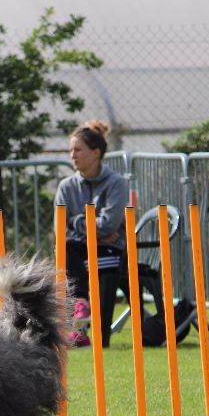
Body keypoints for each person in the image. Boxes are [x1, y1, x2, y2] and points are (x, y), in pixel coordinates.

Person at [55, 120, 128, 348]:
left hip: (110, 250)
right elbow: (59, 227)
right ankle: (80, 310)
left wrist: (77, 222)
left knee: (89, 257)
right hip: (77, 249)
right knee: (64, 248)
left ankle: (93, 328)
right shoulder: (66, 186)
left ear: (96, 153)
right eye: (70, 150)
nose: (73, 155)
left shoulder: (116, 183)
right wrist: (92, 231)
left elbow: (110, 224)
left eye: (78, 150)